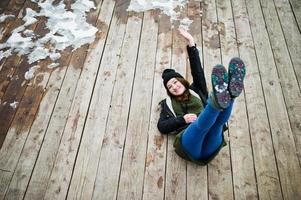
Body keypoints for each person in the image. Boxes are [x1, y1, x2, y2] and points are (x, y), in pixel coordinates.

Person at [157, 28, 246, 165]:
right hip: (189, 145)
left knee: (217, 125)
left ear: (181, 81)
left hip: (211, 145)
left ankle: (230, 95)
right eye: (170, 87)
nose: (174, 87)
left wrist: (191, 43)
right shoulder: (167, 104)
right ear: (169, 91)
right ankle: (219, 100)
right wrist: (182, 119)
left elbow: (197, 70)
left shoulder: (196, 89)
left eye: (175, 82)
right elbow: (162, 126)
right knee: (200, 125)